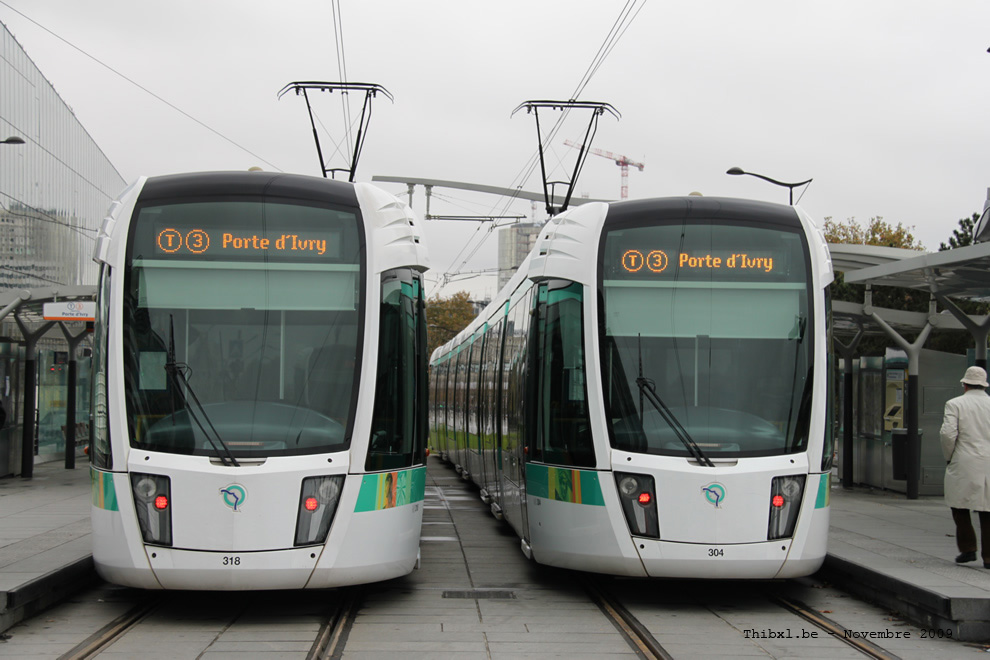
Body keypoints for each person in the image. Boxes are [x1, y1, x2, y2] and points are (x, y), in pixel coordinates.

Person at [940, 365, 990, 567]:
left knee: (959, 505)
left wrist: (949, 456)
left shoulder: (954, 404)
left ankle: (968, 548)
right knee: (988, 510)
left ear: (965, 385)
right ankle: (989, 557)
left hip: (964, 461)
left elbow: (948, 434)